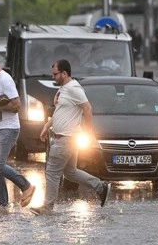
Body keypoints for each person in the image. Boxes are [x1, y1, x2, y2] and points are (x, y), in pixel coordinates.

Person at [30, 59, 111, 215]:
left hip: (66, 138)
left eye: (55, 74)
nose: (53, 77)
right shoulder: (64, 90)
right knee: (70, 172)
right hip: (66, 138)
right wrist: (47, 126)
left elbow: (87, 108)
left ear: (64, 73)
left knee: (52, 172)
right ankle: (101, 187)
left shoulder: (74, 88)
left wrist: (88, 131)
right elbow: (60, 112)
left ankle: (47, 207)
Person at [0, 53, 36, 212]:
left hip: (8, 129)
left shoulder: (5, 79)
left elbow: (17, 105)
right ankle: (2, 204)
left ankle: (26, 186)